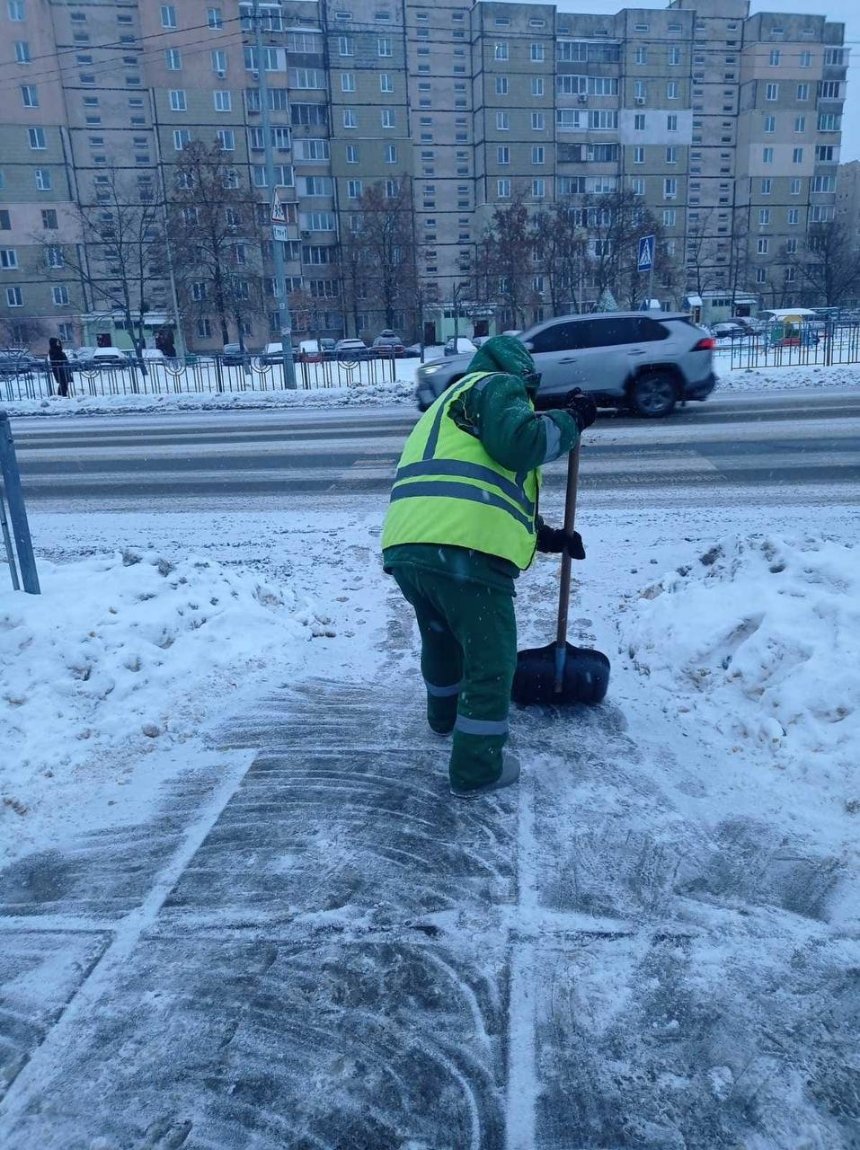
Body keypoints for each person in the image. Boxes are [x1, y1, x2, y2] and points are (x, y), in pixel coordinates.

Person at [381, 335, 597, 800]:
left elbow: (476, 490)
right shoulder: (498, 386)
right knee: (491, 661)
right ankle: (477, 767)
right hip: (465, 553)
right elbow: (521, 446)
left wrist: (549, 537)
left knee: (441, 638)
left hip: (410, 548)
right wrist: (571, 421)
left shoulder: (452, 403)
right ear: (522, 374)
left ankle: (442, 720)